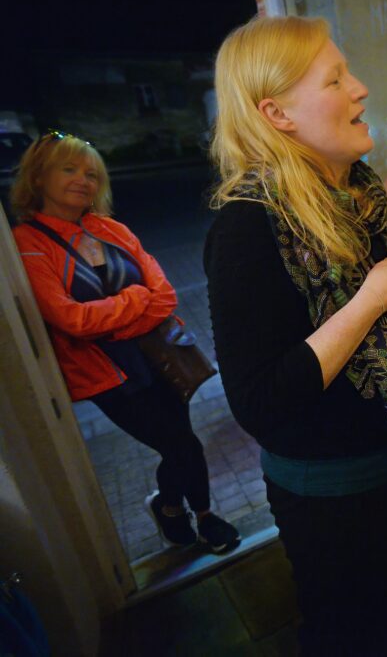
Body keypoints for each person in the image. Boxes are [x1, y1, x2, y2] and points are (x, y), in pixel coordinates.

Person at [204, 16, 387, 655]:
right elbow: (259, 401)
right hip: (339, 505)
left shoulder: (360, 196)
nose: (361, 89)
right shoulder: (246, 226)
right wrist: (373, 302)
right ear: (277, 113)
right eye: (336, 78)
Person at [10, 131, 240, 554]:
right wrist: (134, 300)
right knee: (179, 444)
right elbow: (71, 319)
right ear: (39, 177)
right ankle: (182, 511)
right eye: (69, 169)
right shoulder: (28, 243)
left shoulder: (110, 229)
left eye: (92, 174)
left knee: (180, 440)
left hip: (157, 358)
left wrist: (115, 321)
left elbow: (166, 295)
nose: (84, 179)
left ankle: (190, 512)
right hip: (105, 376)